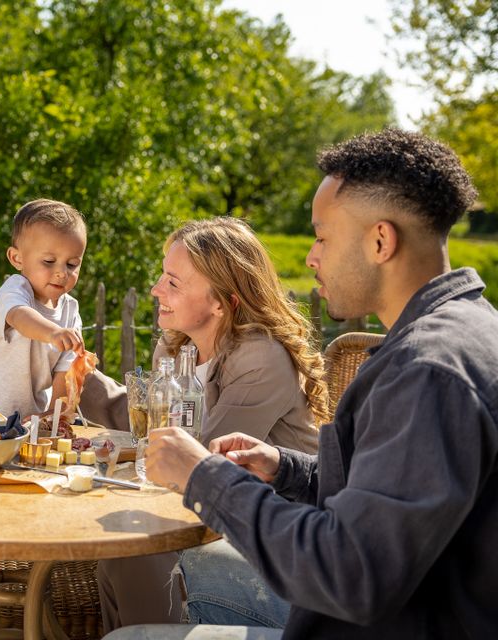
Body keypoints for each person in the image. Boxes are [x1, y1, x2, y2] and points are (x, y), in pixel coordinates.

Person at [121, 128, 495, 639]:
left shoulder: (428, 369)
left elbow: (351, 574)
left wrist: (206, 477)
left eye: (322, 237)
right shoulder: (466, 329)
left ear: (380, 241)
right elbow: (391, 494)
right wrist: (288, 469)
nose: (311, 257)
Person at [89, 217, 326, 632]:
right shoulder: (180, 346)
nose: (156, 290)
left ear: (221, 302)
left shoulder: (260, 358)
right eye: (162, 276)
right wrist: (80, 379)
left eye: (173, 283)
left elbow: (201, 462)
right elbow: (148, 427)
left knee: (135, 550)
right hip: (206, 517)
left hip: (270, 535)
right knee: (112, 553)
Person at [0, 198, 87, 418]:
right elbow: (20, 317)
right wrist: (53, 333)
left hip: (31, 424)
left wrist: (54, 415)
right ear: (17, 258)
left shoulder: (71, 311)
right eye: (49, 261)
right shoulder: (14, 290)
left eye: (72, 264)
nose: (62, 272)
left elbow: (64, 376)